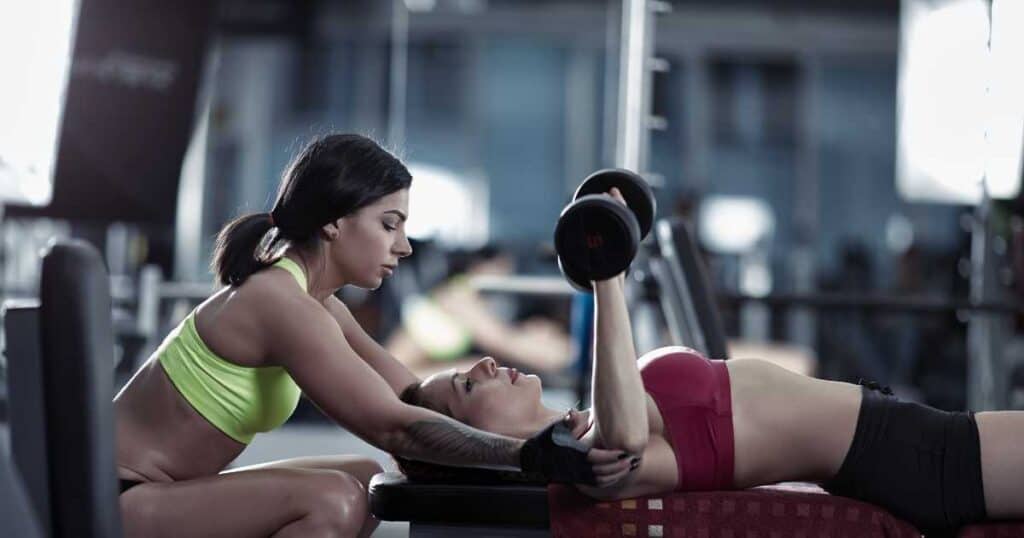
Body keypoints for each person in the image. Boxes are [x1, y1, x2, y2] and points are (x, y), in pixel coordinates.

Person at [400, 188, 1024, 535]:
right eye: (464, 385)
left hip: (908, 440)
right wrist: (605, 276)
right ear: (474, 439)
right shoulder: (594, 466)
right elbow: (626, 439)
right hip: (912, 458)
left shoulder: (597, 421)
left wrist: (615, 235)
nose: (482, 364)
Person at [113, 134, 635, 538]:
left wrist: (552, 431)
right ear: (334, 223)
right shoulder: (282, 305)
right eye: (390, 224)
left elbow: (412, 397)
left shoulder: (319, 305)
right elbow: (395, 429)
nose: (404, 246)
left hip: (165, 495)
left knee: (366, 480)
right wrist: (530, 457)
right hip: (116, 499)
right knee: (331, 498)